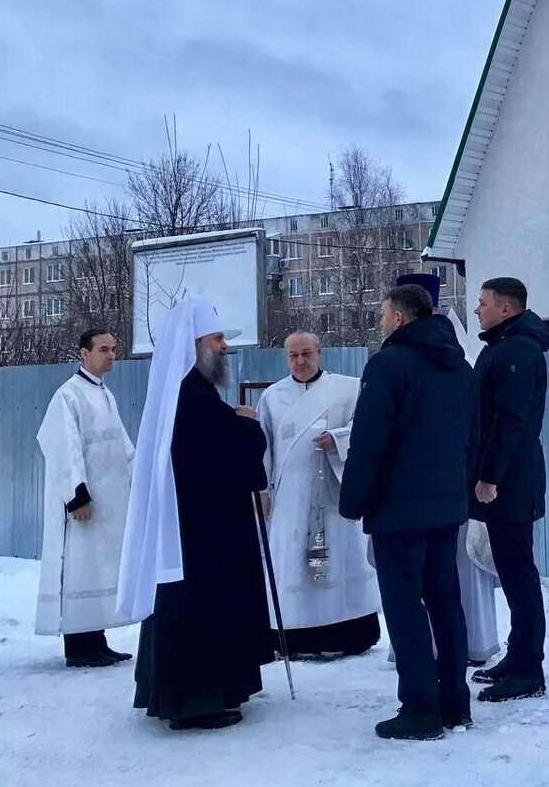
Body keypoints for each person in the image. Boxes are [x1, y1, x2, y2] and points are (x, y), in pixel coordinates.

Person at [118, 300, 274, 731]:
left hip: (197, 529)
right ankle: (195, 701)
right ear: (195, 347)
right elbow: (221, 454)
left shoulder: (186, 394)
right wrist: (246, 424)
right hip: (200, 537)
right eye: (217, 339)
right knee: (200, 610)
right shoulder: (192, 398)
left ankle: (195, 692)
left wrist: (234, 421)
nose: (225, 347)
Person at [339, 283, 475, 741]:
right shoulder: (458, 364)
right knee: (445, 601)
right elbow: (470, 432)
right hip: (445, 504)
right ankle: (454, 702)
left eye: (383, 315)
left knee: (405, 607)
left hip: (399, 508)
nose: (381, 322)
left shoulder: (388, 365)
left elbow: (369, 440)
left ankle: (419, 707)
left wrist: (353, 498)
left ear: (399, 318)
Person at [396, 272, 501, 668]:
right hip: (431, 481)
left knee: (455, 567)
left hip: (449, 478)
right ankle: (437, 647)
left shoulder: (459, 355)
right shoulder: (404, 354)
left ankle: (472, 642)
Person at [256, 331, 380, 658]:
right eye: (293, 356)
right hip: (291, 497)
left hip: (333, 491)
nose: (300, 361)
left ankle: (348, 633)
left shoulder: (347, 388)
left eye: (306, 354)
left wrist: (338, 439)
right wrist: (263, 490)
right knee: (292, 562)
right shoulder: (272, 397)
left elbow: (366, 427)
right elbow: (263, 448)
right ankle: (296, 638)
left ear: (319, 353)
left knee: (341, 556)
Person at [469, 277, 549, 702]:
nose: (476, 310)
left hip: (511, 481)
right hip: (509, 477)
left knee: (519, 574)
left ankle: (528, 670)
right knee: (512, 571)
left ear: (506, 309)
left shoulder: (518, 350)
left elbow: (511, 419)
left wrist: (490, 477)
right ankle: (518, 654)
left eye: (482, 303)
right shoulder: (505, 346)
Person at [35, 328, 137, 667]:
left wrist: (139, 478)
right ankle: (79, 647)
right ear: (84, 353)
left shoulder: (106, 395)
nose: (110, 355)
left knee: (98, 571)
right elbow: (61, 444)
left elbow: (122, 446)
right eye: (103, 349)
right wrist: (76, 496)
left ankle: (96, 639)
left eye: (113, 348)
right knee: (80, 570)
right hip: (83, 505)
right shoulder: (70, 394)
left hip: (107, 505)